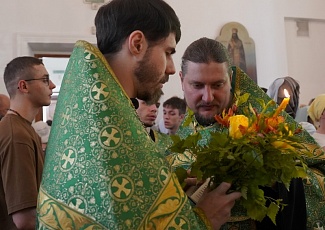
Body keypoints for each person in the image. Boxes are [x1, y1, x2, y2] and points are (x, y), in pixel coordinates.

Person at [36, 1, 241, 229]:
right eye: (168, 52)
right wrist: (203, 220)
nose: (171, 68)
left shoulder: (99, 113)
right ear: (137, 44)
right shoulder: (106, 128)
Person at [167, 37, 325, 229]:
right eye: (197, 85)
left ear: (231, 79)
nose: (208, 97)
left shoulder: (267, 126)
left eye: (217, 85)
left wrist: (275, 182)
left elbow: (320, 177)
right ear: (182, 80)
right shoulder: (178, 142)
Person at [0, 56, 56, 229]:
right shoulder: (16, 135)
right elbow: (25, 220)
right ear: (24, 86)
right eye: (45, 80)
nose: (53, 85)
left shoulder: (24, 128)